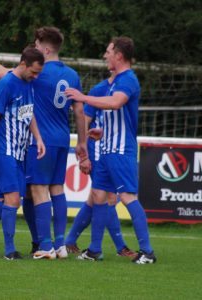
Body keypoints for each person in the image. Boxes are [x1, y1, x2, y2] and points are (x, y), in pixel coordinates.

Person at [0, 27, 86, 260]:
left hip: (31, 145)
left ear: (44, 50)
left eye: (36, 46)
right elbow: (78, 112)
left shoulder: (36, 76)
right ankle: (51, 245)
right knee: (46, 191)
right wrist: (82, 143)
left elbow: (5, 77)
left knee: (23, 194)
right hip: (49, 140)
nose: (34, 49)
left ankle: (34, 242)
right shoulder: (70, 75)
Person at [65, 36, 156, 264]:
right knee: (98, 196)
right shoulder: (113, 82)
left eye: (108, 52)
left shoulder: (129, 80)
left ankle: (147, 251)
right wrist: (99, 133)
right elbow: (113, 116)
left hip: (121, 151)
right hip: (105, 149)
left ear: (119, 55)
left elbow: (116, 103)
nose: (105, 55)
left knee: (127, 197)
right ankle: (95, 250)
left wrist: (82, 96)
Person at [0, 46, 46, 260]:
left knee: (5, 198)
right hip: (3, 149)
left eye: (38, 73)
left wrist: (38, 138)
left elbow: (29, 113)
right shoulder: (7, 83)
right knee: (12, 199)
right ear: (23, 64)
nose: (35, 76)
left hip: (20, 152)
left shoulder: (29, 84)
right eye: (34, 71)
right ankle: (10, 250)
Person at [65, 73, 136, 258]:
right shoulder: (99, 89)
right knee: (108, 197)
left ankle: (70, 240)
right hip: (96, 150)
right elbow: (85, 121)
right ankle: (120, 247)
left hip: (107, 150)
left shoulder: (122, 90)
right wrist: (84, 156)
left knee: (95, 198)